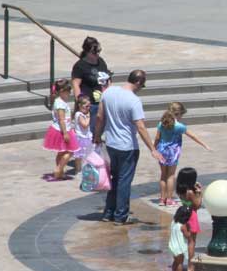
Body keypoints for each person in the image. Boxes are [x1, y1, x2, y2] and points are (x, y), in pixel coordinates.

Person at [93, 69, 164, 225]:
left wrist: (97, 136)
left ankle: (108, 212)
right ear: (138, 82)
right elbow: (140, 127)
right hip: (127, 147)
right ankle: (121, 215)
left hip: (111, 144)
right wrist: (153, 149)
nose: (141, 88)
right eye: (142, 85)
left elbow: (99, 117)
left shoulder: (109, 92)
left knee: (114, 179)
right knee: (124, 181)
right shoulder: (134, 101)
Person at [155, 102, 211, 207]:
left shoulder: (161, 123)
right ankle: (169, 199)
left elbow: (157, 138)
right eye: (181, 115)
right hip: (173, 152)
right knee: (171, 175)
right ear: (178, 114)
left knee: (163, 175)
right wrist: (205, 145)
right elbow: (193, 136)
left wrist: (154, 149)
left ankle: (162, 199)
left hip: (162, 150)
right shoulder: (179, 126)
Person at [71, 36, 111, 132]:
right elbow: (76, 85)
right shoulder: (80, 66)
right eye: (94, 52)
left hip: (102, 102)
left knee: (100, 129)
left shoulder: (101, 61)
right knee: (90, 130)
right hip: (89, 104)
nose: (97, 54)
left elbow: (107, 77)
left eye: (98, 51)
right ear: (87, 51)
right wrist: (81, 102)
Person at [42, 79, 78, 180]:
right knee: (70, 151)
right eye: (68, 92)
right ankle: (59, 169)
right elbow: (61, 119)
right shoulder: (60, 104)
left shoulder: (59, 101)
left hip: (62, 128)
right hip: (62, 130)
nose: (69, 94)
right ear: (62, 91)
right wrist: (65, 133)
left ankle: (60, 172)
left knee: (61, 152)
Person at [176, 167, 203, 271]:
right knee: (191, 242)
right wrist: (199, 193)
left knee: (184, 241)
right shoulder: (190, 192)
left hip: (183, 215)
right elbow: (197, 205)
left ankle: (180, 263)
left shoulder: (180, 190)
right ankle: (190, 267)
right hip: (192, 216)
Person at [168, 205, 193, 271]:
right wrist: (190, 231)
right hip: (179, 248)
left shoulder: (173, 222)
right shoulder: (183, 226)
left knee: (176, 261)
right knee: (180, 263)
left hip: (172, 245)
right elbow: (187, 235)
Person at [71, 95, 93, 176]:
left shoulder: (84, 114)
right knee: (79, 156)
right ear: (80, 105)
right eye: (86, 106)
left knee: (86, 155)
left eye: (89, 106)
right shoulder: (79, 114)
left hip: (87, 137)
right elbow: (85, 125)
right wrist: (89, 117)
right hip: (80, 138)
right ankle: (78, 170)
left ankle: (84, 169)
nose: (88, 108)